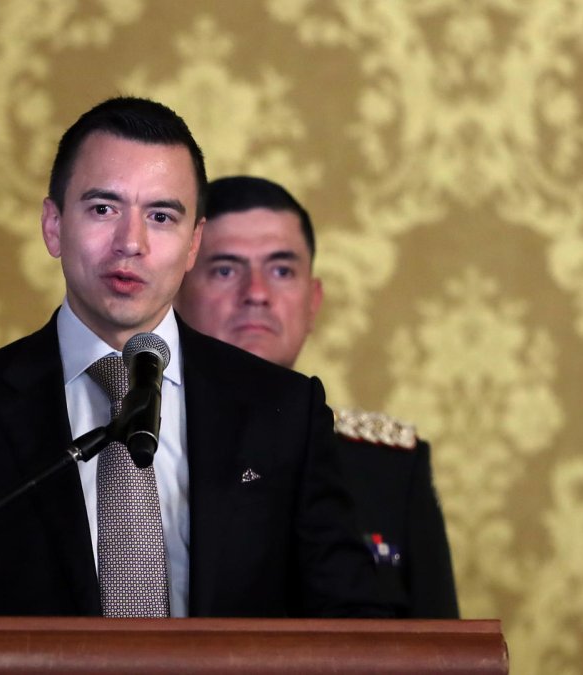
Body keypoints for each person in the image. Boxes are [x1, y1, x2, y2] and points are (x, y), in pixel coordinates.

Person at [0, 100, 387, 674]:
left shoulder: (284, 412)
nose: (132, 242)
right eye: (103, 208)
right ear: (54, 225)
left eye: (162, 217)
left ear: (194, 244)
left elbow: (357, 622)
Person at [175, 175, 459, 618]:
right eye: (225, 269)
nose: (255, 294)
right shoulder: (139, 449)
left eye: (282, 270)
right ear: (175, 297)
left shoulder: (390, 465)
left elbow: (437, 648)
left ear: (313, 301)